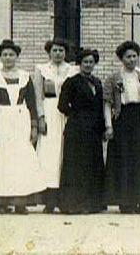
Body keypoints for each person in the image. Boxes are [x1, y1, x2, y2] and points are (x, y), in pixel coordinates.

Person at [0, 40, 45, 213]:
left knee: (21, 159)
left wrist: (34, 126)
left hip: (21, 119)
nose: (8, 58)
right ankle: (0, 202)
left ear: (17, 57)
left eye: (11, 54)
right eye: (5, 54)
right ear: (0, 57)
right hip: (1, 118)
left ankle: (20, 202)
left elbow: (32, 103)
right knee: (2, 158)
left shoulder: (25, 76)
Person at [104, 41, 140, 214]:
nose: (132, 60)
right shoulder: (113, 78)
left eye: (134, 56)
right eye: (128, 57)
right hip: (122, 118)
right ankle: (125, 201)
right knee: (124, 159)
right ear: (121, 58)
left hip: (139, 119)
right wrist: (109, 125)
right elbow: (107, 103)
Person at [56, 48, 106, 214]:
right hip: (76, 130)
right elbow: (62, 105)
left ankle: (92, 204)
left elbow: (100, 106)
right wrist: (77, 115)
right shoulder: (71, 82)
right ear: (79, 64)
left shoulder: (97, 83)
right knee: (76, 166)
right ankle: (72, 204)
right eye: (85, 62)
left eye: (91, 62)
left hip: (93, 131)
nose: (88, 65)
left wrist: (102, 127)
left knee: (92, 164)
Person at [33, 38, 76, 213]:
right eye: (55, 50)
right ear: (49, 52)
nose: (58, 54)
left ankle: (65, 197)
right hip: (50, 112)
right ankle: (49, 199)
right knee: (49, 154)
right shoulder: (41, 70)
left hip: (67, 112)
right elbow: (38, 95)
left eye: (61, 51)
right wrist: (41, 118)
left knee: (65, 152)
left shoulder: (73, 70)